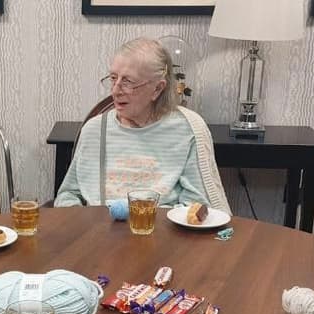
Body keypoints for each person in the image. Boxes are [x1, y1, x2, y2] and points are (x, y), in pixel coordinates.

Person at [54, 37, 230, 213]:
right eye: (113, 78)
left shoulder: (188, 130)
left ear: (157, 89)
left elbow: (197, 207)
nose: (115, 90)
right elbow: (67, 195)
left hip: (163, 234)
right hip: (100, 233)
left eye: (128, 82)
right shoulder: (94, 130)